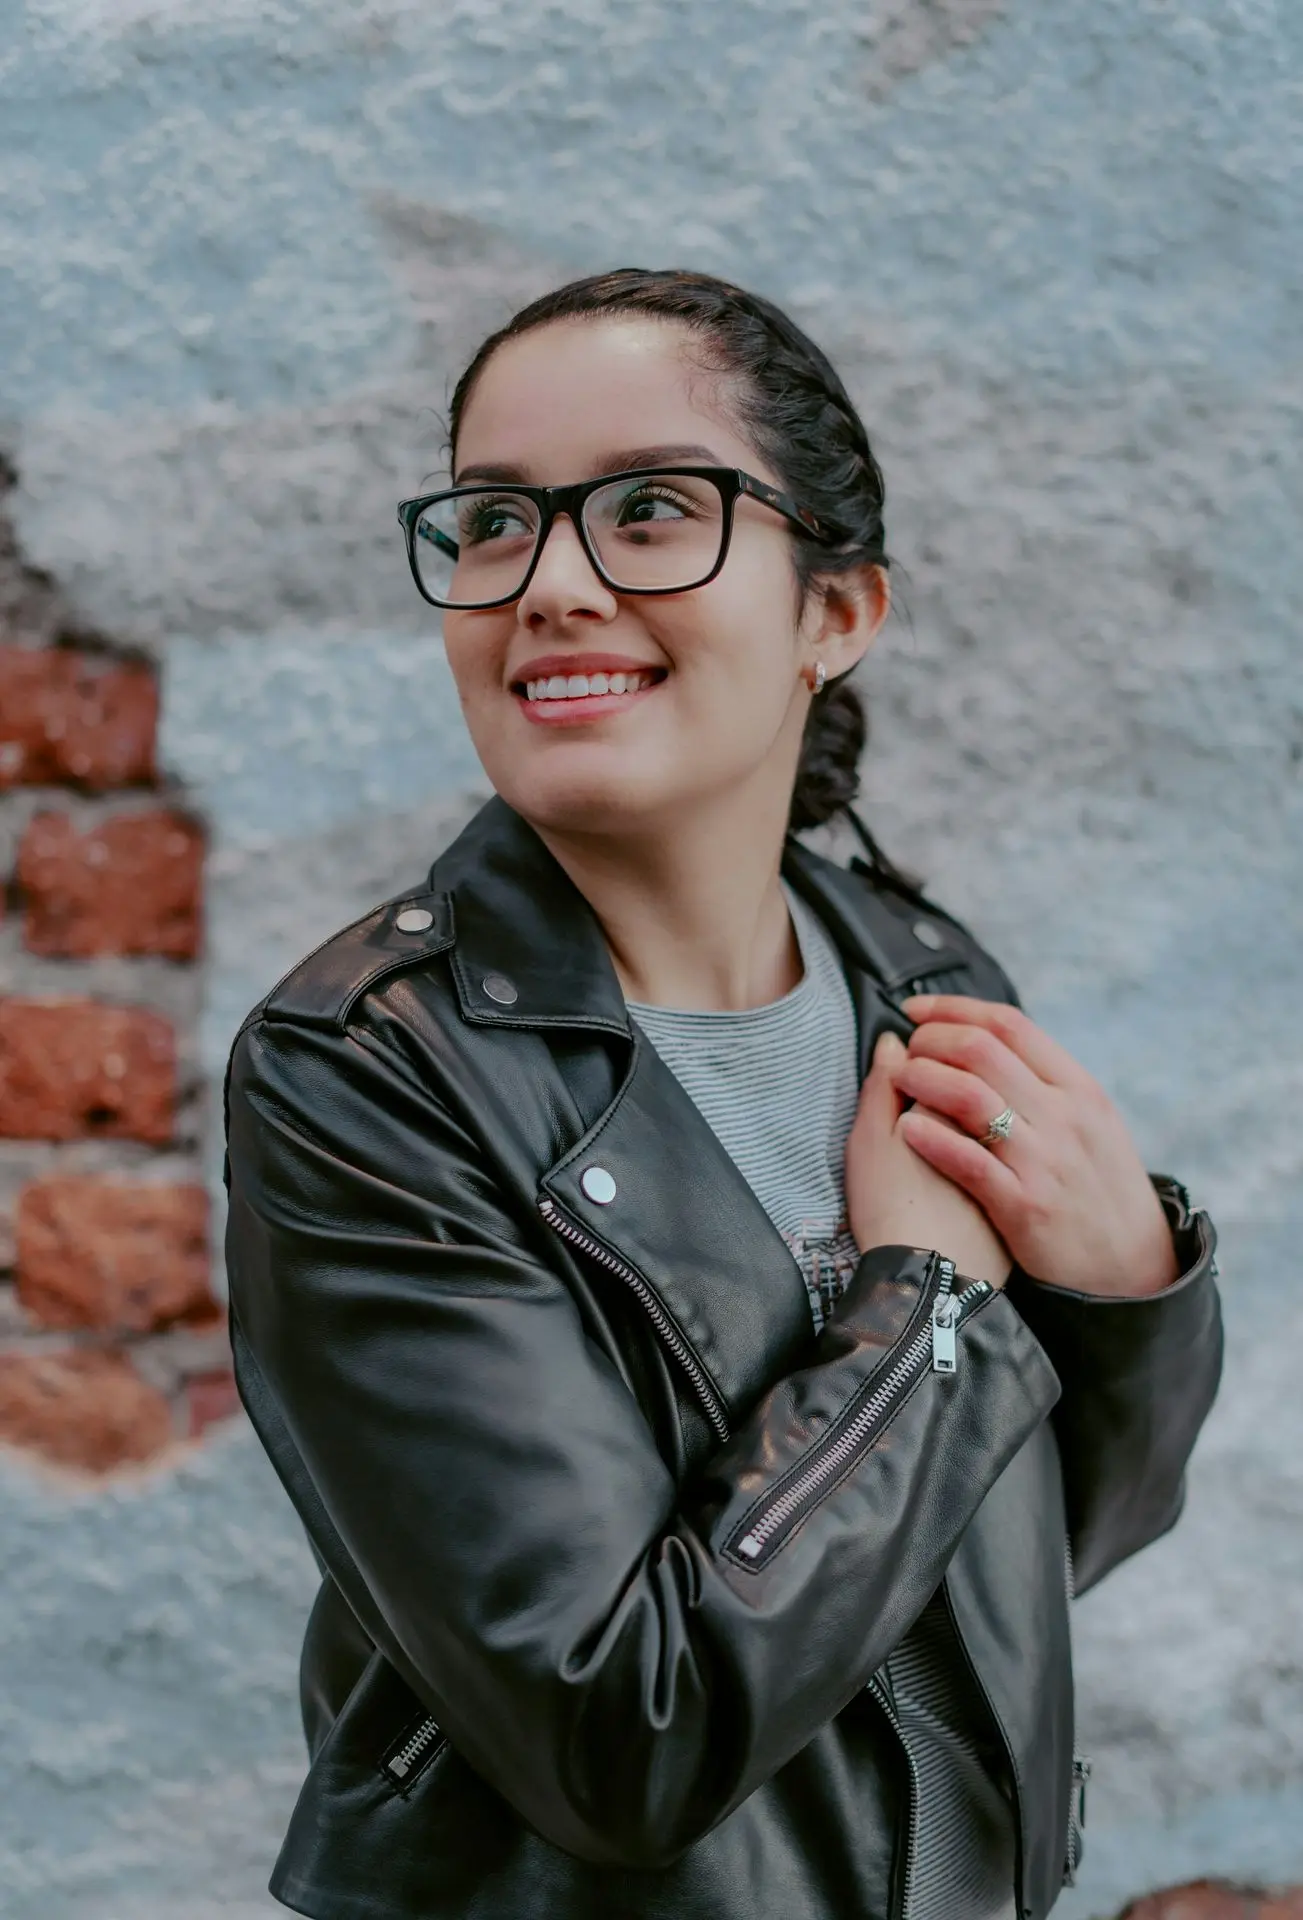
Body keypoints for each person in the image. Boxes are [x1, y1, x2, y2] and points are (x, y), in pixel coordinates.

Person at [223, 268, 1223, 1920]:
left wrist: (1128, 1285)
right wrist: (925, 1312)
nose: (547, 584)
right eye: (491, 524)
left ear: (836, 612)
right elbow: (620, 1732)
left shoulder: (923, 979)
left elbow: (1029, 1554)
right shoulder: (374, 1072)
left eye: (648, 510)